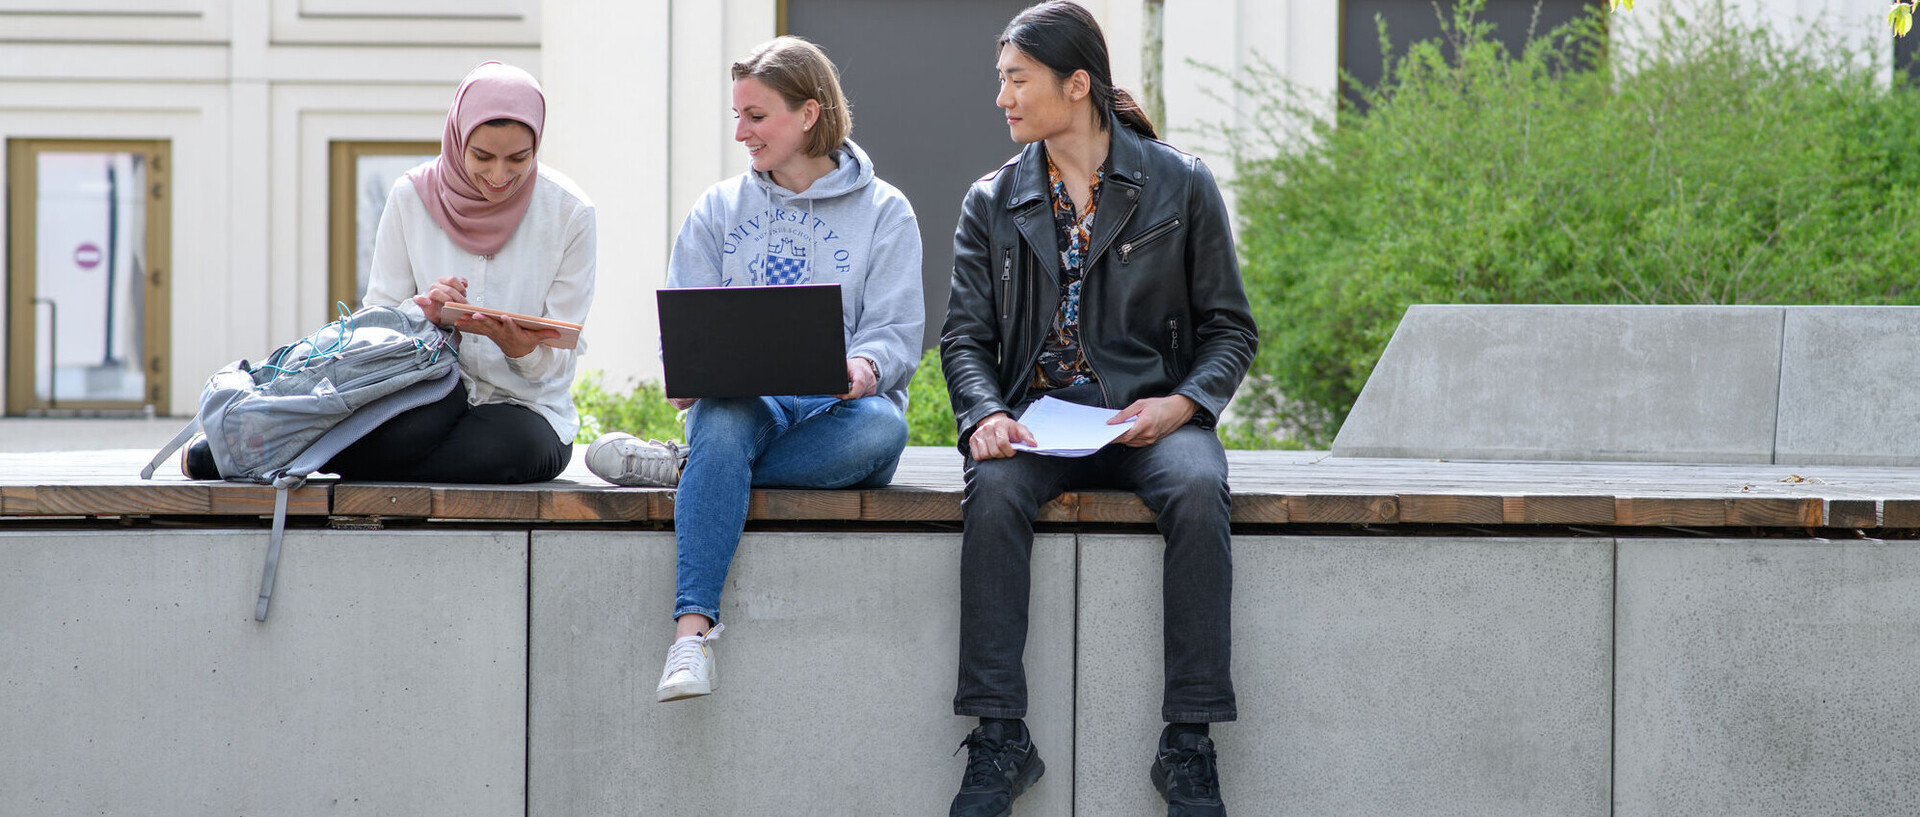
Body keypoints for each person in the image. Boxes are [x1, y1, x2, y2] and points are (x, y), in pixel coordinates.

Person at [940, 3, 1257, 816]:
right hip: (1038, 421)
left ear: (1076, 84)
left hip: (1151, 420)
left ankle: (1188, 743)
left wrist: (1182, 404)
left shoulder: (1178, 184)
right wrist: (984, 414)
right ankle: (1000, 737)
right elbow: (965, 339)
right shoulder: (992, 200)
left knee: (1195, 488)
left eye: (1018, 79)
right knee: (995, 487)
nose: (1002, 97)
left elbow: (1230, 329)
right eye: (1000, 79)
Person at [583, 36, 923, 703]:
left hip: (838, 413)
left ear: (810, 113)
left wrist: (860, 367)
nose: (740, 132)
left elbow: (897, 333)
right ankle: (690, 637)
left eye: (756, 116)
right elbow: (687, 331)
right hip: (749, 404)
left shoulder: (886, 211)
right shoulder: (716, 211)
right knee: (723, 416)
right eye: (736, 115)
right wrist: (686, 373)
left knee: (884, 430)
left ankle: (695, 467)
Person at [180, 61, 594, 484]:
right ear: (457, 138)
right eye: (482, 156)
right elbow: (377, 324)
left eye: (518, 158)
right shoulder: (412, 196)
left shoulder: (570, 214)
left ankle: (274, 452)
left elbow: (558, 365)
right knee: (415, 430)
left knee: (512, 453)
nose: (499, 175)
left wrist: (520, 350)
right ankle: (298, 449)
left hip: (523, 407)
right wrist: (423, 313)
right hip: (423, 386)